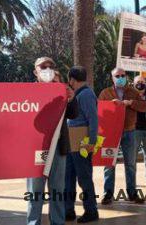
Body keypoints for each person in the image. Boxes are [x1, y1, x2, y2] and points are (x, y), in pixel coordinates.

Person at [26, 57, 78, 225]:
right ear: (35, 71)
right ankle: (33, 222)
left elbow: (73, 114)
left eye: (51, 66)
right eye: (43, 67)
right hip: (36, 148)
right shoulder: (27, 91)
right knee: (35, 190)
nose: (47, 69)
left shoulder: (62, 89)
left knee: (57, 189)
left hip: (58, 147)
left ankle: (58, 222)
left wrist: (71, 97)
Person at [98, 68, 146, 205]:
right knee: (109, 164)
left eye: (122, 75)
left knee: (130, 164)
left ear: (126, 76)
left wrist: (131, 103)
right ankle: (108, 194)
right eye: (117, 76)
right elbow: (99, 109)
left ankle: (132, 193)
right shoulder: (105, 93)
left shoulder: (133, 92)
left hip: (129, 131)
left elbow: (144, 106)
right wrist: (110, 104)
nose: (120, 77)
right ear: (112, 78)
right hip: (110, 132)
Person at [65, 66, 99, 223]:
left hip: (82, 142)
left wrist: (92, 142)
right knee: (69, 178)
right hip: (72, 142)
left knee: (84, 178)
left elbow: (93, 119)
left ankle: (91, 211)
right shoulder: (78, 94)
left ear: (72, 79)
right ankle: (68, 210)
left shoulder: (86, 94)